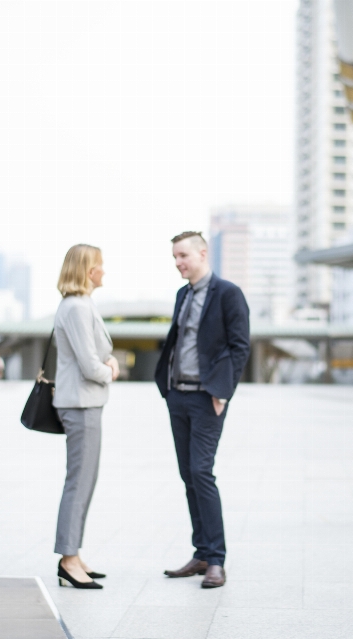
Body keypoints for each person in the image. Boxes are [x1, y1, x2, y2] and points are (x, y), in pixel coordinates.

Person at [154, 231, 250, 589]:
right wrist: (165, 386)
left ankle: (217, 561)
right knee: (188, 474)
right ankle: (201, 552)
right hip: (177, 396)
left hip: (207, 397)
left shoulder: (228, 293)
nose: (178, 262)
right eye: (175, 257)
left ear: (202, 253)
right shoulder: (183, 294)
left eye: (183, 256)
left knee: (201, 471)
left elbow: (240, 347)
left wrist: (223, 390)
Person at [52, 244, 119, 590]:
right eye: (100, 264)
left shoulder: (81, 305)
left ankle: (73, 555)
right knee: (79, 483)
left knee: (84, 482)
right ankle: (68, 559)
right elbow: (90, 364)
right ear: (87, 270)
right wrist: (111, 370)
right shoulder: (77, 307)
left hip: (84, 403)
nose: (104, 270)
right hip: (80, 404)